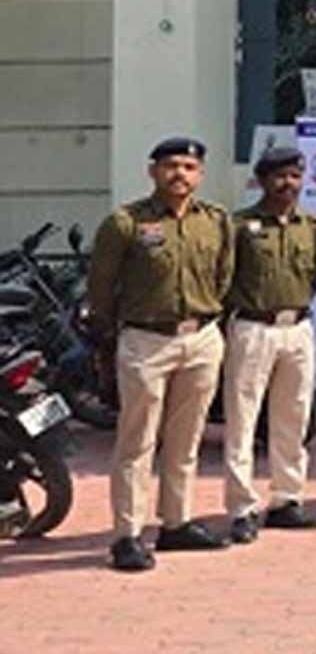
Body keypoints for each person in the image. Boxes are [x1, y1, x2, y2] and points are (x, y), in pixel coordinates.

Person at [88, 137, 234, 572]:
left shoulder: (216, 221)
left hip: (201, 337)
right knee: (137, 440)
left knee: (187, 437)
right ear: (153, 172)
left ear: (200, 174)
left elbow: (224, 277)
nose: (179, 174)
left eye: (189, 166)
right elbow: (101, 284)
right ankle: (127, 535)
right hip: (146, 340)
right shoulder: (126, 223)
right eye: (170, 166)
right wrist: (107, 335)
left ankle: (176, 522)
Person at [223, 147, 316, 544]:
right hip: (253, 326)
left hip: (297, 326)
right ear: (262, 180)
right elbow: (224, 278)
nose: (288, 184)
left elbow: (313, 275)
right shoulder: (239, 225)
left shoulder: (310, 226)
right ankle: (241, 507)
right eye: (279, 176)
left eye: (295, 176)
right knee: (243, 420)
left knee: (293, 417)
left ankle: (287, 499)